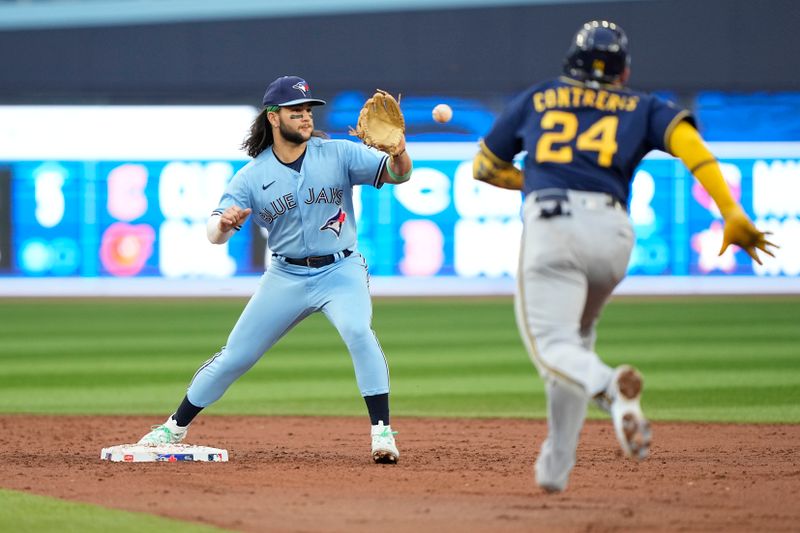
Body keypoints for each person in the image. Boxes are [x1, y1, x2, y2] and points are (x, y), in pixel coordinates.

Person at [473, 21, 776, 492]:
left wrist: (533, 177)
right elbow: (691, 147)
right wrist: (730, 211)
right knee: (576, 344)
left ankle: (613, 387)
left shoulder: (541, 96)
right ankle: (555, 470)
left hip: (554, 227)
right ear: (623, 70)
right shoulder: (642, 104)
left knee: (553, 347)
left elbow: (486, 167)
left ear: (570, 62)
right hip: (613, 236)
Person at [138, 75, 413, 464]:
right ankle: (174, 426)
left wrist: (400, 152)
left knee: (357, 330)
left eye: (307, 111)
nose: (305, 117)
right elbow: (213, 233)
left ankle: (382, 432)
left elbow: (400, 174)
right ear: (273, 117)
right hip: (285, 276)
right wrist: (224, 224)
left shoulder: (338, 153)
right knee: (237, 354)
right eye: (295, 111)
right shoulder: (251, 176)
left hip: (341, 269)